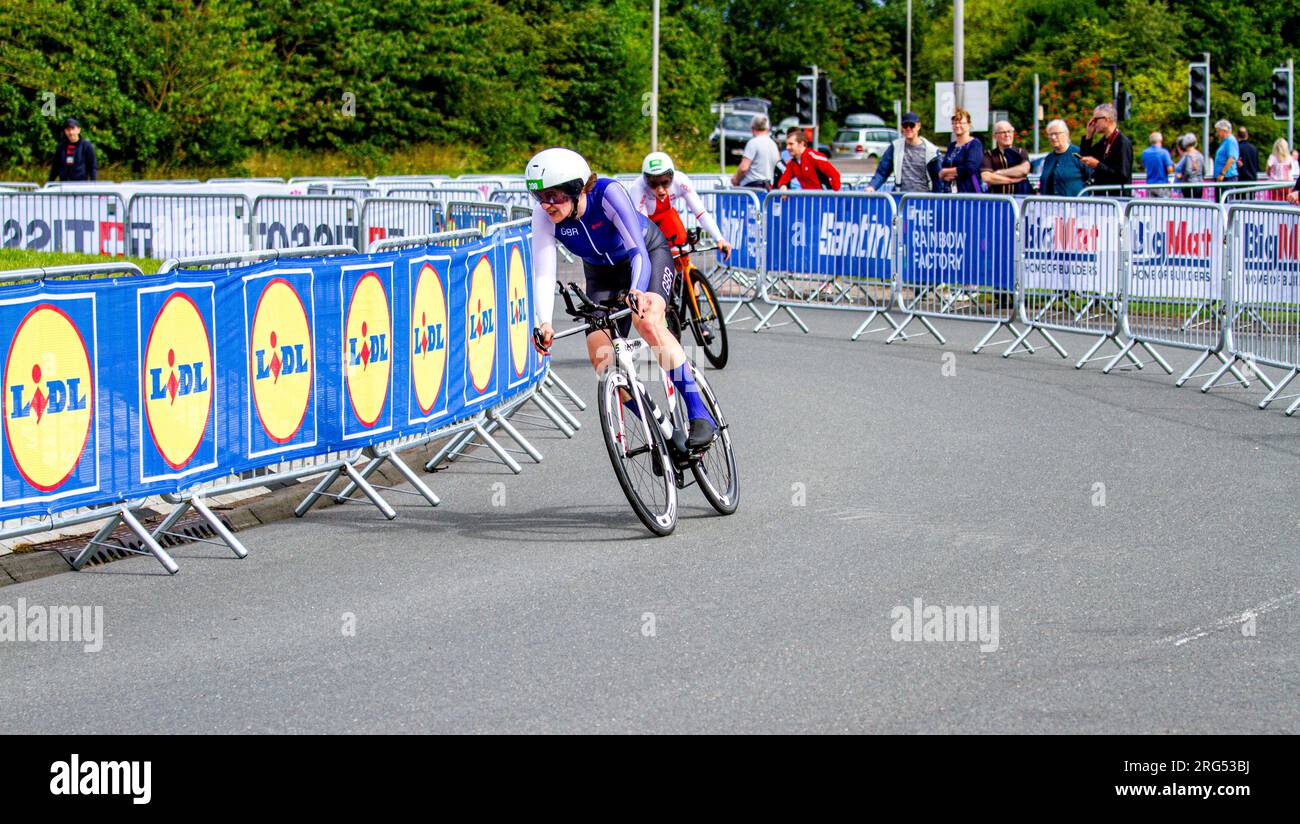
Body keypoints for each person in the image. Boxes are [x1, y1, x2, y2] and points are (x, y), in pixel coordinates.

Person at [526, 147, 717, 448]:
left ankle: (699, 413)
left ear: (577, 189)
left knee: (648, 322)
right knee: (601, 357)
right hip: (601, 275)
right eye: (540, 196)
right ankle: (660, 429)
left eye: (555, 195)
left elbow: (638, 250)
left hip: (645, 256)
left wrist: (638, 290)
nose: (547, 204)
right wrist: (545, 322)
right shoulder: (543, 216)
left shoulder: (607, 193)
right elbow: (544, 273)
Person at [632, 151, 732, 265]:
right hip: (647, 222)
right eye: (653, 184)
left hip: (667, 216)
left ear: (672, 176)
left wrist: (719, 239)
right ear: (646, 180)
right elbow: (642, 226)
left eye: (665, 182)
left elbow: (701, 213)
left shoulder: (680, 181)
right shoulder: (638, 188)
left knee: (682, 253)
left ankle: (685, 278)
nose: (660, 189)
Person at [864, 111, 943, 193]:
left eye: (912, 125)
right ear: (902, 127)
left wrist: (937, 201)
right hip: (901, 199)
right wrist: (872, 186)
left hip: (924, 200)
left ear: (918, 126)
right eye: (905, 125)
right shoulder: (895, 147)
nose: (908, 128)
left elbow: (938, 179)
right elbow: (882, 172)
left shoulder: (931, 151)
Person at [1079, 103, 1133, 195]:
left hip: (1117, 199)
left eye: (1095, 120)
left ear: (1107, 120)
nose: (1093, 123)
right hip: (1103, 197)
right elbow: (1085, 156)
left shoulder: (1122, 142)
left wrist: (1098, 165)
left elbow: (1122, 175)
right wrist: (1089, 136)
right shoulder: (1104, 141)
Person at [1038, 120, 1090, 197]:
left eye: (1056, 134)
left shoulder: (1079, 154)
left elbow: (1091, 177)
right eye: (1050, 134)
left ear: (1066, 134)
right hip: (1049, 205)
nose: (1053, 137)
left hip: (1075, 205)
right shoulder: (1048, 158)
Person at [774, 130, 841, 190]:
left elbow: (835, 174)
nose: (787, 147)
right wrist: (783, 186)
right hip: (809, 201)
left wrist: (834, 196)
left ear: (801, 144)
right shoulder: (792, 163)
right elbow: (784, 179)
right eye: (787, 144)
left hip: (823, 200)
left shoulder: (814, 157)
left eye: (791, 144)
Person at [979, 120, 1032, 195]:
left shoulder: (1021, 152)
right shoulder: (989, 155)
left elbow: (1024, 170)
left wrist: (998, 173)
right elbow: (986, 177)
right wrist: (1011, 180)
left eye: (1009, 131)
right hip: (997, 201)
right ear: (994, 136)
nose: (1007, 135)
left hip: (1020, 200)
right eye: (1003, 132)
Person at [938, 108, 984, 193]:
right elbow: (945, 165)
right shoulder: (951, 146)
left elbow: (970, 167)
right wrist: (944, 176)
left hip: (969, 193)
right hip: (949, 192)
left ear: (969, 125)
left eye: (961, 123)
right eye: (954, 123)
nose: (957, 125)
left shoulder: (974, 144)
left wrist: (945, 172)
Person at [730, 115, 781, 190]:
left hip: (752, 187)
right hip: (768, 186)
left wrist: (735, 180)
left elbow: (743, 168)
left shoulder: (753, 143)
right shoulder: (773, 144)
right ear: (767, 128)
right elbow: (778, 164)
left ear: (753, 128)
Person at [47, 117, 97, 182]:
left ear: (78, 130)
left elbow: (92, 167)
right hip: (64, 184)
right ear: (65, 131)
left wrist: (93, 184)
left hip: (81, 185)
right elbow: (55, 167)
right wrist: (50, 183)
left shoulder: (87, 146)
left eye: (73, 129)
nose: (70, 132)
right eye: (68, 130)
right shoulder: (61, 147)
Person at [1211, 119, 1239, 201]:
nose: (1217, 134)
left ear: (1224, 131)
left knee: (1225, 201)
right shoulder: (1225, 141)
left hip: (1227, 177)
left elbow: (1231, 158)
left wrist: (1222, 173)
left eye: (1218, 131)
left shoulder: (1230, 141)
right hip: (1223, 177)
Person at [1140, 132, 1175, 197]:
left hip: (1149, 185)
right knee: (1163, 206)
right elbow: (1170, 170)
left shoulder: (1145, 153)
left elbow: (1145, 165)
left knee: (1150, 206)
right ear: (1160, 140)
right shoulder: (1164, 152)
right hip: (1162, 185)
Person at [1174, 134, 1206, 200]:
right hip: (1199, 184)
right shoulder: (1200, 155)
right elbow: (1204, 171)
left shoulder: (1188, 156)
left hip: (1188, 185)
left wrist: (1182, 177)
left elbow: (1188, 171)